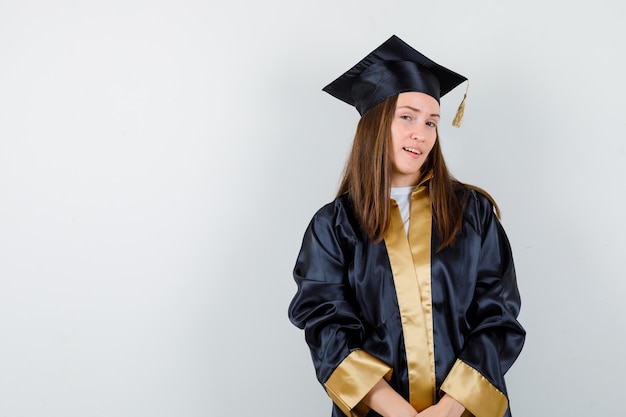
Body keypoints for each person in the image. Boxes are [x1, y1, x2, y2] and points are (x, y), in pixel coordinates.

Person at [287, 35, 525, 417]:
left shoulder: (471, 213)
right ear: (375, 124)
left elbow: (498, 317)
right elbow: (327, 330)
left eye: (431, 122)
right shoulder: (333, 226)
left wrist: (448, 410)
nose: (422, 133)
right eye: (407, 117)